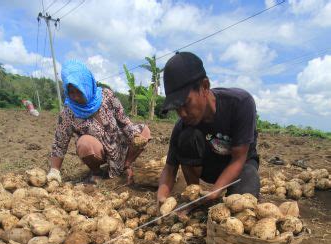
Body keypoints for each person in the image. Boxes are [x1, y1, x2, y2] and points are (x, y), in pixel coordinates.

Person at [157, 52, 260, 211]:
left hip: (240, 165)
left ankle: (210, 197)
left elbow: (239, 158)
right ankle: (194, 196)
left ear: (205, 87)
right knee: (186, 137)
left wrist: (214, 192)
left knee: (243, 206)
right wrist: (162, 196)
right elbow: (170, 168)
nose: (182, 113)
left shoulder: (240, 103)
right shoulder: (183, 124)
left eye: (186, 103)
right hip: (209, 166)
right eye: (176, 108)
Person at [48, 60, 151, 185]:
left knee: (144, 131)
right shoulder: (68, 112)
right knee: (84, 144)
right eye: (71, 92)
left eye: (79, 91)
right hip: (97, 150)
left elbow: (124, 122)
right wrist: (54, 171)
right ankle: (97, 172)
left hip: (118, 143)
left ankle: (126, 165)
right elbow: (59, 144)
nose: (75, 97)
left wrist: (135, 137)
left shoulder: (106, 95)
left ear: (87, 84)